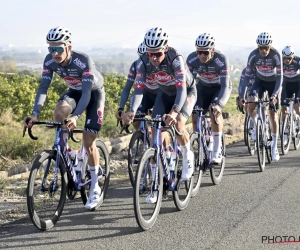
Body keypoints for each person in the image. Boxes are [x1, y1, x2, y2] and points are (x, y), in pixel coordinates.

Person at [23, 26, 105, 210]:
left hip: (93, 94)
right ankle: (68, 154)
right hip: (74, 92)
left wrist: (76, 117)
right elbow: (43, 88)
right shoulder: (49, 61)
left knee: (88, 141)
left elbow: (86, 94)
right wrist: (35, 113)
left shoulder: (83, 61)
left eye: (58, 48)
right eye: (50, 48)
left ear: (68, 47)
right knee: (58, 112)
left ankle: (95, 186)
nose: (54, 53)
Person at [123, 27, 196, 200]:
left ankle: (187, 154)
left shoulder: (175, 59)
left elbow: (182, 90)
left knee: (178, 123)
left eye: (158, 54)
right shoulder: (142, 62)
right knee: (155, 136)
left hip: (186, 93)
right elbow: (139, 90)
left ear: (165, 48)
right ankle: (155, 187)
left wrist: (175, 111)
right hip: (164, 94)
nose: (154, 58)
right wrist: (132, 110)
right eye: (150, 54)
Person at [186, 33, 232, 164]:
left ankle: (217, 150)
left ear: (212, 50)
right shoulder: (192, 59)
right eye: (199, 52)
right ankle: (202, 142)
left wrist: (219, 105)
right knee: (195, 115)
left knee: (214, 112)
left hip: (220, 87)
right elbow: (188, 83)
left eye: (205, 52)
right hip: (203, 86)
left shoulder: (221, 59)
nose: (201, 55)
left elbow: (225, 86)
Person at [245, 32, 283, 161]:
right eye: (261, 47)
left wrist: (274, 94)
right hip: (259, 81)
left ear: (270, 46)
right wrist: (242, 94)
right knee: (250, 104)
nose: (264, 50)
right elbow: (247, 76)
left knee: (273, 114)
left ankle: (274, 148)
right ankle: (256, 125)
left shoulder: (276, 55)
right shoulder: (253, 55)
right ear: (258, 47)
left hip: (273, 83)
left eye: (266, 47)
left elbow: (280, 77)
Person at [115, 42, 158, 130]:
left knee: (158, 124)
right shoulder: (135, 66)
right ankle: (146, 138)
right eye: (141, 58)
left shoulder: (157, 64)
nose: (144, 61)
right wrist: (121, 108)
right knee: (136, 121)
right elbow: (127, 88)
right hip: (145, 94)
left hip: (159, 93)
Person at [280, 46, 300, 144]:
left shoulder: (298, 61)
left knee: (297, 107)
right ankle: (285, 133)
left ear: (293, 57)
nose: (287, 60)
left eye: (289, 58)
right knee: (284, 109)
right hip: (287, 85)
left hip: (298, 85)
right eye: (285, 58)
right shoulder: (280, 63)